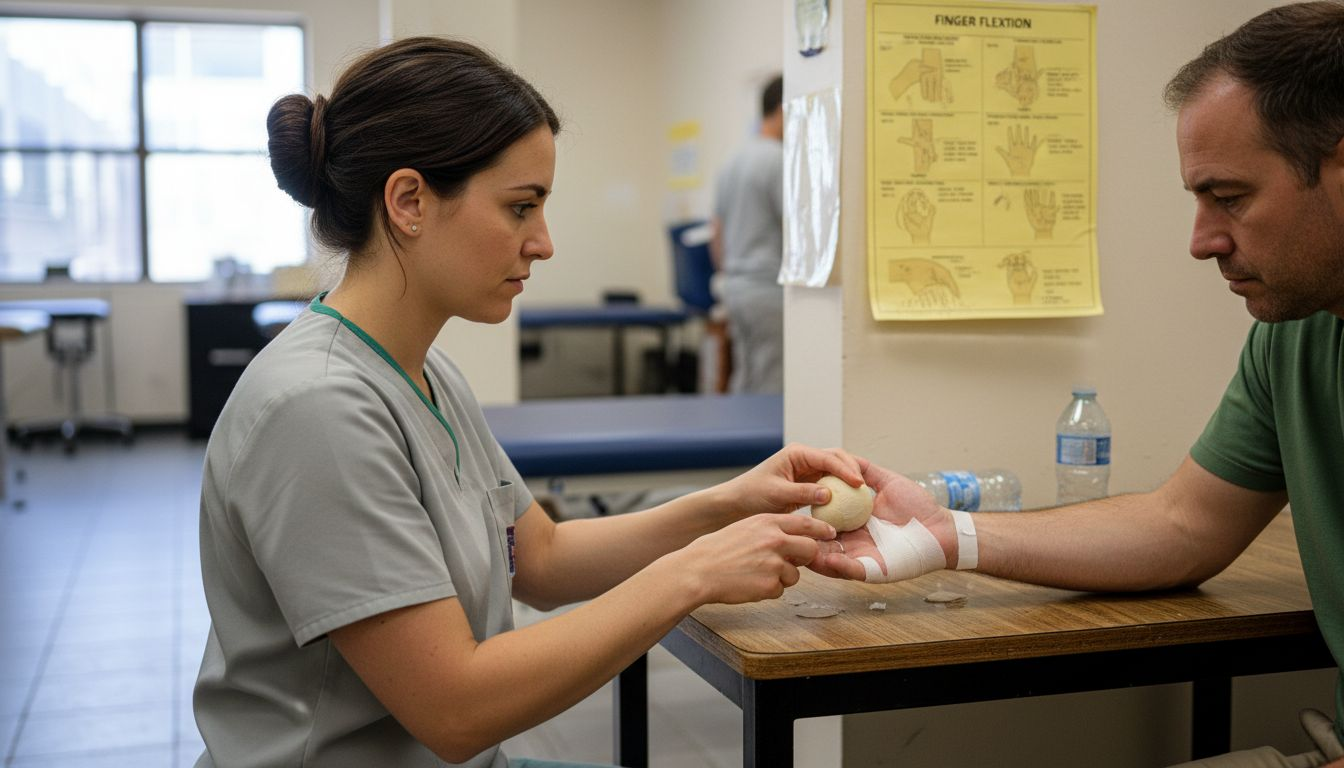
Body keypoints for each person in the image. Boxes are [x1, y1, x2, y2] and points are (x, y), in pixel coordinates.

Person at [191, 37, 868, 768]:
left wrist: (731, 502)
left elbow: (541, 558)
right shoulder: (316, 409)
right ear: (409, 201)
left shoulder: (424, 373)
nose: (542, 244)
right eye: (521, 208)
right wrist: (695, 572)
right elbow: (456, 708)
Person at [818, 3, 1344, 766]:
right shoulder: (1292, 336)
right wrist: (949, 535)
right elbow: (1183, 525)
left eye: (1229, 198)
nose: (1202, 242)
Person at [710, 74, 785, 394]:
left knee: (745, 376)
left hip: (736, 288)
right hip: (768, 290)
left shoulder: (733, 160)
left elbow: (717, 231)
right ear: (784, 110)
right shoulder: (779, 159)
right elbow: (796, 228)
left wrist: (728, 276)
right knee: (772, 380)